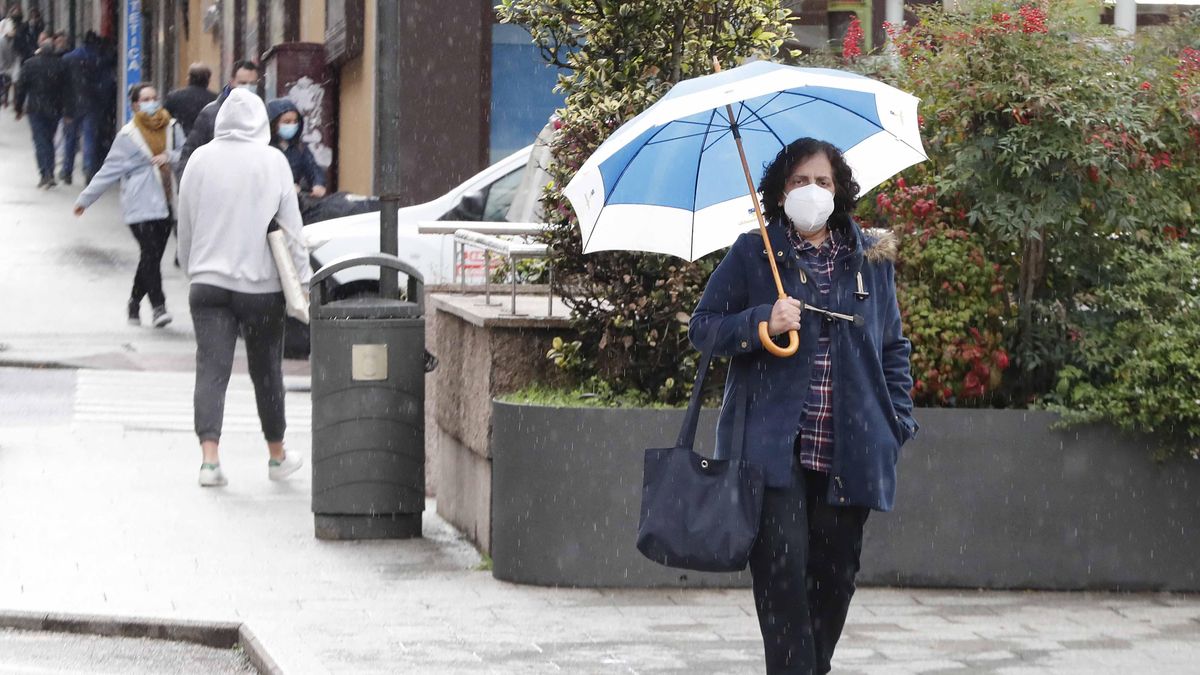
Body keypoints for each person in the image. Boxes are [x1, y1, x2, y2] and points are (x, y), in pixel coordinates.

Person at [688, 137, 917, 675]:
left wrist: (896, 422)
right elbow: (704, 328)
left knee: (833, 582)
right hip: (772, 456)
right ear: (779, 191)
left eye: (822, 182)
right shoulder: (755, 253)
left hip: (851, 449)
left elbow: (893, 347)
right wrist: (760, 320)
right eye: (798, 182)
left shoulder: (870, 257)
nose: (810, 191)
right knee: (782, 582)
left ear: (839, 191)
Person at [176, 88, 310, 488]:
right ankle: (276, 455)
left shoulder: (199, 160)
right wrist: (302, 283)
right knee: (267, 372)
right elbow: (292, 228)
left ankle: (210, 461)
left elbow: (185, 220)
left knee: (211, 371)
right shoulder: (274, 162)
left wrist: (192, 267)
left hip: (208, 285)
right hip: (262, 287)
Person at [73, 83, 184, 328]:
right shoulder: (128, 135)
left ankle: (134, 302)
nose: (151, 102)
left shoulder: (173, 127)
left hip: (167, 202)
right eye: (145, 99)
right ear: (135, 104)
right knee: (150, 254)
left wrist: (169, 157)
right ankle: (158, 307)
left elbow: (186, 154)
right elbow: (109, 170)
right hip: (139, 202)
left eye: (154, 97)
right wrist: (85, 199)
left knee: (151, 257)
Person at [178, 59, 259, 175]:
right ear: (231, 82)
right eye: (243, 83)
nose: (248, 88)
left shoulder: (260, 114)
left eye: (253, 84)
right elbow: (190, 152)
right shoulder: (211, 114)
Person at [13, 40, 71, 188]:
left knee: (40, 140)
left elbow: (21, 88)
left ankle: (44, 172)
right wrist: (67, 110)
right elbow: (68, 90)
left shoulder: (30, 64)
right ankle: (49, 171)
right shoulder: (61, 65)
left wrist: (18, 108)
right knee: (49, 139)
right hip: (54, 109)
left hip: (35, 109)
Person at [60, 31, 104, 184]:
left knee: (70, 139)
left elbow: (63, 85)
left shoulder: (68, 58)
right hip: (90, 104)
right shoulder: (96, 59)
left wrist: (65, 107)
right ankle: (88, 169)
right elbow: (101, 84)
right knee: (89, 138)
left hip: (71, 104)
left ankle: (67, 170)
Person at [266, 98, 327, 198]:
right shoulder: (264, 147)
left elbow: (312, 167)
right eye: (287, 122)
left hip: (296, 199)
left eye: (295, 121)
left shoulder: (300, 147)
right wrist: (285, 187)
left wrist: (318, 183)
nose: (292, 125)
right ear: (273, 124)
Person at [164, 62, 217, 136]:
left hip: (180, 138)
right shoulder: (215, 99)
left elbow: (165, 118)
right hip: (205, 140)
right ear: (208, 80)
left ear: (189, 78)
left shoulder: (174, 96)